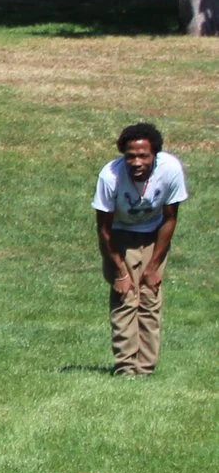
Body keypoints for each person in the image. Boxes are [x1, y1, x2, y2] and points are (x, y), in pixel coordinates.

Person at [94, 122, 187, 377]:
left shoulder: (170, 170)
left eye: (143, 156)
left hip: (153, 235)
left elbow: (170, 219)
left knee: (149, 297)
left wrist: (154, 266)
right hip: (119, 236)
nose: (136, 162)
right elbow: (104, 229)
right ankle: (126, 368)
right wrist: (120, 272)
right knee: (125, 299)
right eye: (130, 156)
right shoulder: (110, 177)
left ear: (154, 155)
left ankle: (145, 369)